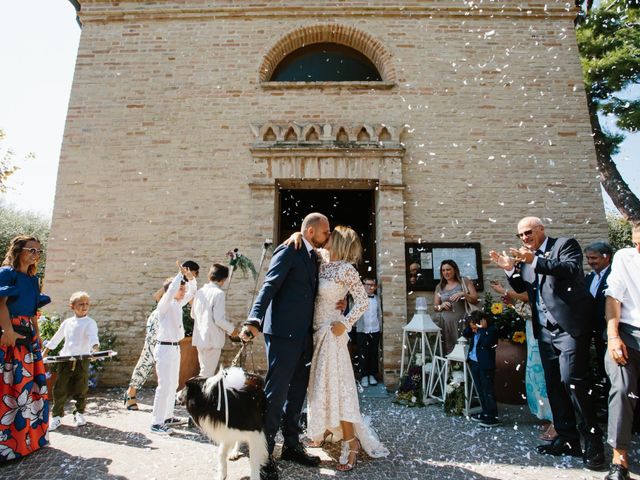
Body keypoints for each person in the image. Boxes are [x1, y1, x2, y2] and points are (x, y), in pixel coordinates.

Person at [489, 216, 604, 470]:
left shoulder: (565, 245)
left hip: (569, 329)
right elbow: (523, 286)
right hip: (544, 330)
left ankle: (594, 442)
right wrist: (510, 268)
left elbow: (571, 269)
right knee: (554, 384)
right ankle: (568, 439)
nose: (524, 238)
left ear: (541, 229)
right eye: (520, 235)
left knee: (574, 381)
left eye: (528, 232)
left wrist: (534, 260)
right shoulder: (527, 258)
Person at [241, 213, 332, 480]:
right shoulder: (289, 249)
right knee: (276, 393)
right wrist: (254, 317)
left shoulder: (312, 256)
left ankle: (291, 445)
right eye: (325, 232)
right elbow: (269, 285)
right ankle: (262, 454)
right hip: (281, 334)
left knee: (296, 395)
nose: (328, 237)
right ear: (312, 231)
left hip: (304, 335)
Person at [305, 226, 389, 471]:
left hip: (332, 333)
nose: (326, 237)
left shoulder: (346, 269)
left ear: (340, 242)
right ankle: (320, 431)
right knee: (319, 384)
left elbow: (362, 300)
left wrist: (345, 323)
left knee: (339, 387)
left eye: (331, 235)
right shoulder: (319, 262)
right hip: (315, 332)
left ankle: (352, 444)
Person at [0, 235, 50, 462]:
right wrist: (8, 331)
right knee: (10, 387)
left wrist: (37, 332)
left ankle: (30, 440)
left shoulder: (32, 279)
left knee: (30, 388)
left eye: (38, 252)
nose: (35, 255)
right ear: (19, 250)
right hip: (10, 334)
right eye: (31, 250)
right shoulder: (6, 274)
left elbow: (33, 311)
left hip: (29, 336)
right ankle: (8, 445)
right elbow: (0, 304)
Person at [124, 260, 199, 411]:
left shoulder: (184, 287)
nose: (194, 275)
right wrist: (178, 280)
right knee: (147, 357)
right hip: (159, 320)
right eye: (194, 272)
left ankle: (165, 404)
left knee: (158, 363)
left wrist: (190, 281)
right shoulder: (175, 284)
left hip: (170, 323)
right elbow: (159, 297)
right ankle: (131, 392)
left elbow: (190, 299)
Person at [489, 280, 555, 441]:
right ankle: (550, 418)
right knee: (537, 378)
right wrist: (512, 303)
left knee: (547, 378)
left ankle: (557, 422)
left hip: (544, 335)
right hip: (533, 333)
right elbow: (529, 312)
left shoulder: (542, 280)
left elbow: (531, 298)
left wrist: (504, 291)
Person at [602, 222, 640, 480]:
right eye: (637, 242)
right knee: (622, 388)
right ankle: (620, 459)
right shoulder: (625, 257)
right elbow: (613, 297)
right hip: (626, 332)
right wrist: (613, 336)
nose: (638, 248)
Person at [150, 262, 196, 435]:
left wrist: (190, 280)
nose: (183, 292)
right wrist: (179, 276)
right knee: (164, 385)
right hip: (164, 349)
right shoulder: (165, 304)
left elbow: (192, 291)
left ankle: (168, 416)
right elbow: (170, 292)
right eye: (180, 289)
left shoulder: (177, 304)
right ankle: (156, 422)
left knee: (173, 384)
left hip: (175, 348)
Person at [43, 291, 99, 430]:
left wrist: (95, 348)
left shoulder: (90, 323)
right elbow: (57, 338)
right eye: (81, 304)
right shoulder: (68, 322)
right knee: (60, 388)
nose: (84, 306)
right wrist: (44, 353)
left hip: (82, 360)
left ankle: (79, 413)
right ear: (72, 306)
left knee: (81, 387)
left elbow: (93, 337)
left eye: (87, 304)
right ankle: (56, 416)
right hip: (65, 360)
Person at [190, 263, 239, 377]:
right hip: (212, 339)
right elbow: (219, 319)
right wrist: (232, 330)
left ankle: (199, 394)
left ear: (209, 276)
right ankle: (197, 395)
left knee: (204, 371)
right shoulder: (219, 294)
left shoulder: (200, 292)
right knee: (206, 374)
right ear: (224, 279)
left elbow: (193, 314)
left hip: (200, 338)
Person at [433, 259, 479, 354]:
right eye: (443, 270)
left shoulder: (464, 281)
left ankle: (466, 368)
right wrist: (441, 306)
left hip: (463, 322)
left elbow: (475, 299)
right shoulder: (439, 286)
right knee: (448, 348)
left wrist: (463, 294)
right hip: (446, 323)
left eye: (448, 269)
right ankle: (450, 368)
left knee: (465, 347)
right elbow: (435, 307)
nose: (446, 272)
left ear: (455, 270)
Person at [462, 310, 499, 427]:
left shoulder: (491, 330)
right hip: (474, 363)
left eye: (474, 327)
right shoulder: (474, 330)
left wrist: (482, 329)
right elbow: (465, 333)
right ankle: (485, 412)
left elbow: (488, 343)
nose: (473, 330)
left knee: (488, 391)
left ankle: (492, 417)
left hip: (485, 365)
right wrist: (471, 327)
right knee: (480, 391)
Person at [584, 242, 612, 382]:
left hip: (608, 328)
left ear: (606, 257)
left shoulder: (614, 276)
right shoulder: (589, 277)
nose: (590, 262)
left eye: (594, 258)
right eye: (588, 258)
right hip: (592, 328)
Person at [354, 277, 382, 387]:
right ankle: (364, 376)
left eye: (372, 285)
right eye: (367, 284)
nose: (370, 287)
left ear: (375, 287)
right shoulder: (358, 298)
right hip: (362, 330)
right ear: (363, 285)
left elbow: (379, 313)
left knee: (373, 353)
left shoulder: (377, 299)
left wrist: (381, 328)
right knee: (362, 353)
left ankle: (372, 375)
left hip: (375, 329)